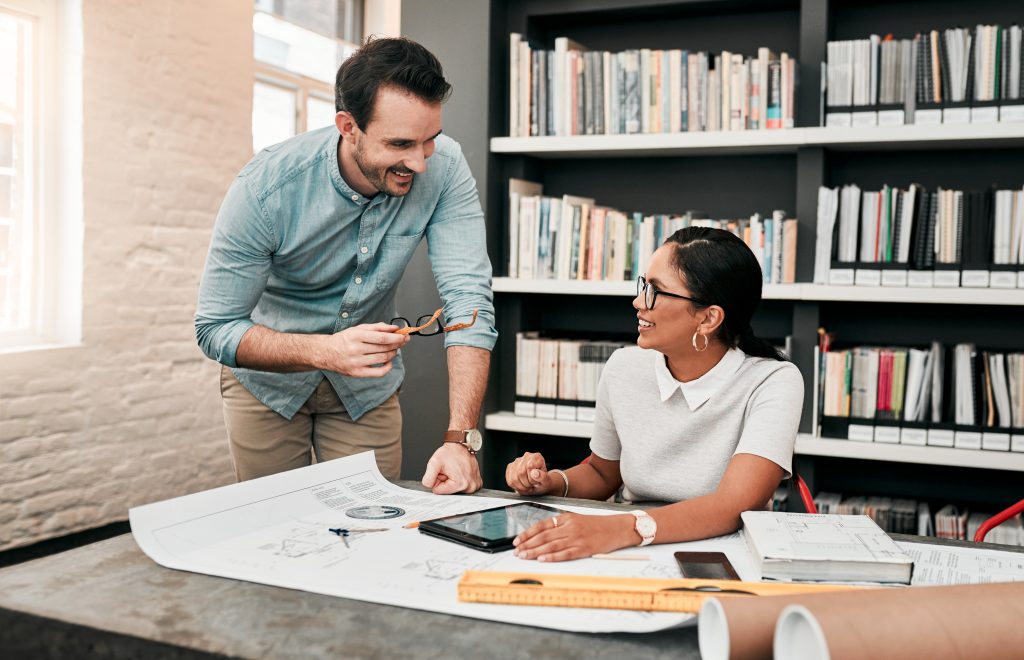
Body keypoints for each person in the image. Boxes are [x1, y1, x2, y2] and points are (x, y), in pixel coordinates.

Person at [195, 37, 496, 493]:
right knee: (277, 536)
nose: (418, 162)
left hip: (366, 394)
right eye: (399, 143)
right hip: (266, 389)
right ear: (348, 126)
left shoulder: (446, 168)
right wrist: (324, 350)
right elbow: (215, 327)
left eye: (429, 140)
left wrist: (461, 439)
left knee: (373, 531)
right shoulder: (265, 188)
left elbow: (469, 301)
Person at [505, 227, 803, 561]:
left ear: (708, 318)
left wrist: (617, 530)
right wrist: (551, 483)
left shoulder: (774, 380)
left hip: (723, 555)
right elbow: (603, 474)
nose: (637, 302)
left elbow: (732, 506)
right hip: (630, 552)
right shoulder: (623, 366)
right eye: (643, 285)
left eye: (656, 291)